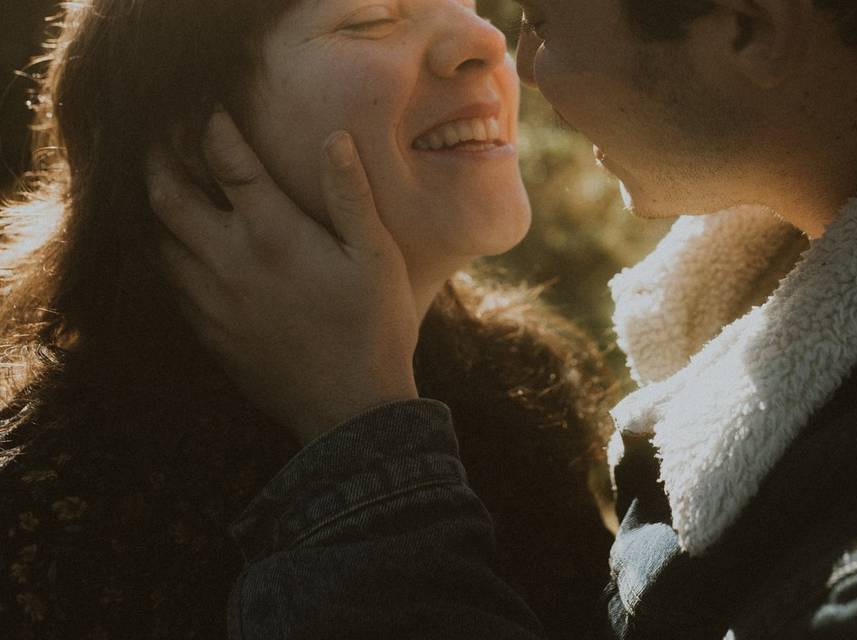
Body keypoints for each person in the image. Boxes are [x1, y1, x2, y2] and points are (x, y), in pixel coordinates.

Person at [151, 0, 857, 637]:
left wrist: (356, 453)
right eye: (367, 20)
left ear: (745, 29)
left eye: (542, 19)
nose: (513, 59)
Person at [0, 1, 619, 638]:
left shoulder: (519, 380)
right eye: (371, 18)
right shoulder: (51, 496)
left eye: (467, 2)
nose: (487, 39)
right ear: (197, 142)